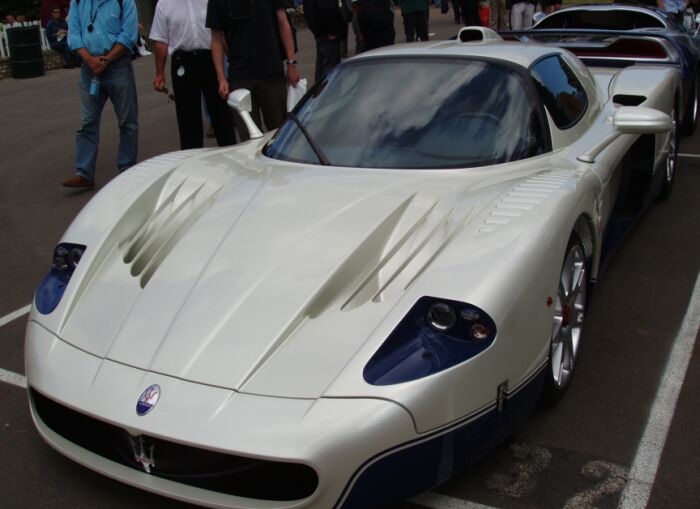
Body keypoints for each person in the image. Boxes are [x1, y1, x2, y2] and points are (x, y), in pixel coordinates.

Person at [64, 0, 139, 189]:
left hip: (118, 66)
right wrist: (89, 60)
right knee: (87, 122)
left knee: (127, 121)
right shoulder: (78, 2)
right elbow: (74, 36)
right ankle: (84, 173)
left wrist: (106, 60)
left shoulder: (124, 1)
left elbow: (129, 34)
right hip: (89, 68)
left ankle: (127, 169)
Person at [206, 0, 300, 142]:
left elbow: (283, 23)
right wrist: (221, 78)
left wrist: (291, 64)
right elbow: (216, 38)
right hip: (240, 78)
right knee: (249, 140)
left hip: (272, 73)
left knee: (280, 135)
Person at [150, 0, 236, 149]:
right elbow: (161, 41)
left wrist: (233, 62)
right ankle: (191, 161)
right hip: (183, 62)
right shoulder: (164, 4)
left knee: (222, 115)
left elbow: (222, 33)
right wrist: (159, 74)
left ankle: (231, 155)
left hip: (212, 59)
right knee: (188, 120)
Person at [304, 0, 348, 82]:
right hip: (327, 33)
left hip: (320, 31)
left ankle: (319, 91)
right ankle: (328, 91)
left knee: (321, 65)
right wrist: (334, 30)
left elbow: (307, 10)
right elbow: (328, 8)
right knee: (331, 68)